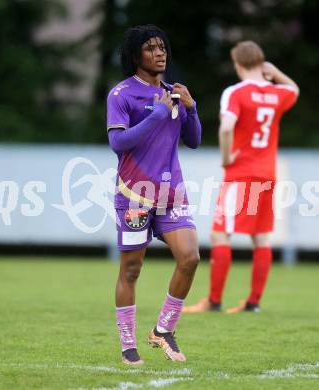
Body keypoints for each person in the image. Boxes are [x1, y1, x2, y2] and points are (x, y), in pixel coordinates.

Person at [106, 25, 202, 364]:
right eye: (150, 48)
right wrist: (158, 114)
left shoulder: (173, 92)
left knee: (190, 257)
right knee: (131, 271)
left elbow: (193, 140)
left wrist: (191, 109)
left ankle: (163, 330)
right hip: (134, 194)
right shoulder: (121, 95)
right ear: (136, 55)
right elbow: (118, 143)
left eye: (162, 47)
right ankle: (128, 344)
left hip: (171, 192)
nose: (159, 53)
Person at [183, 40, 299, 314]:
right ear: (261, 63)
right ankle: (254, 302)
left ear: (238, 64)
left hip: (242, 173)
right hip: (268, 174)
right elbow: (293, 89)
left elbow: (226, 129)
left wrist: (225, 158)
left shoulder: (235, 93)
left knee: (220, 234)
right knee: (261, 238)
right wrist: (277, 73)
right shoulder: (276, 93)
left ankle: (213, 300)